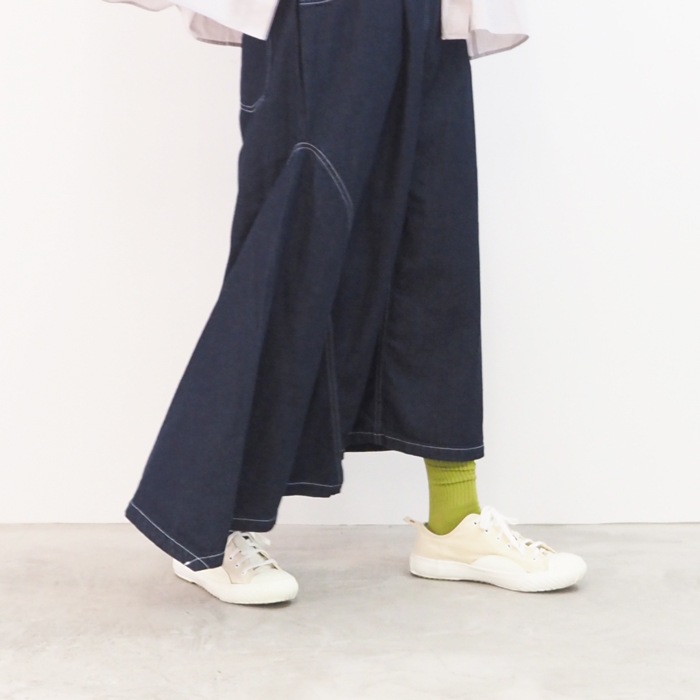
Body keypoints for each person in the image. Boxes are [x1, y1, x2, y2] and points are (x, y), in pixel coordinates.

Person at [106, 0, 586, 604]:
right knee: (296, 244)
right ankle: (208, 525)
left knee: (435, 244)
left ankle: (454, 520)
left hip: (424, 13)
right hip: (320, 15)